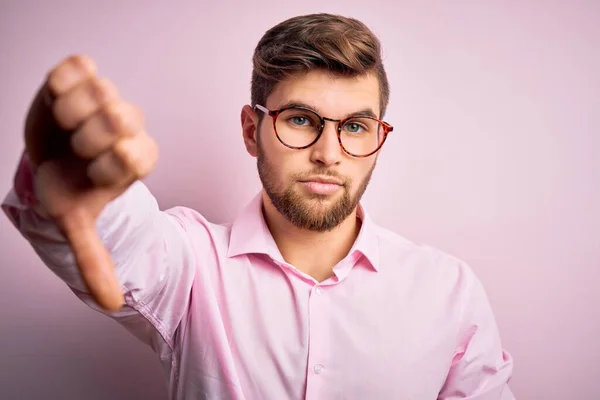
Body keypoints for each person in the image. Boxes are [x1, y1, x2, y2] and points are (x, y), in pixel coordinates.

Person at [2, 13, 515, 400]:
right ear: (252, 130)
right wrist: (74, 177)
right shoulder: (191, 266)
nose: (329, 153)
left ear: (379, 138)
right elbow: (120, 238)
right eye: (299, 119)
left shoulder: (449, 292)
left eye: (355, 127)